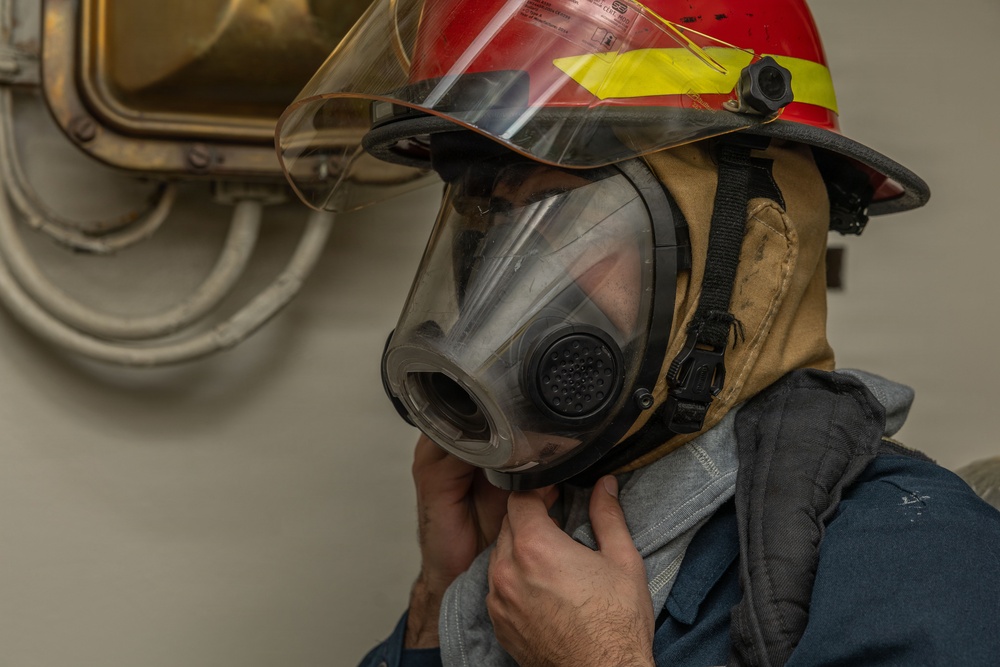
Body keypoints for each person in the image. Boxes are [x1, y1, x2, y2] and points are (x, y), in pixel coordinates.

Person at [275, 1, 1000, 665]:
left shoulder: (919, 558)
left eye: (566, 214)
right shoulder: (528, 545)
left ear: (750, 255)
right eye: (489, 215)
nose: (511, 269)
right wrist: (439, 600)